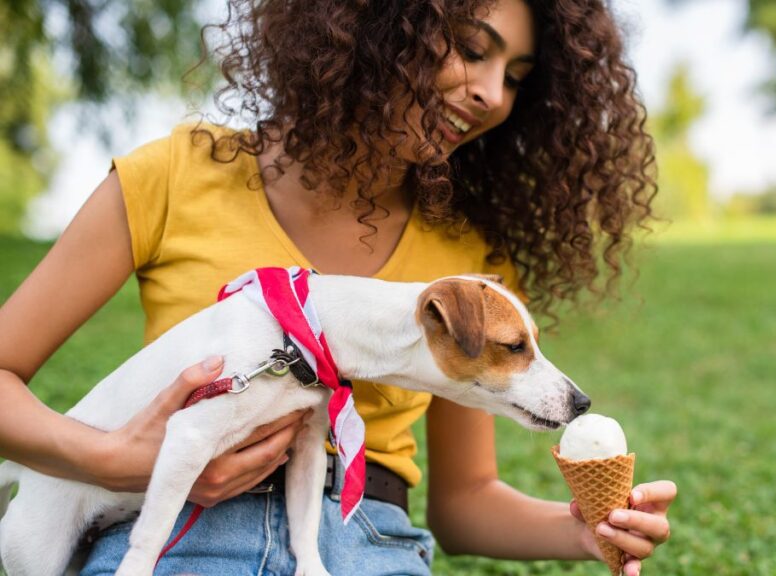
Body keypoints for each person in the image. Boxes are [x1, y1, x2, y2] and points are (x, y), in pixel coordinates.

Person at [0, 0, 676, 574]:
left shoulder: (470, 268)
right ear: (382, 22)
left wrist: (580, 531)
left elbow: (465, 502)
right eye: (473, 49)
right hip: (175, 532)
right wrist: (116, 460)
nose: (493, 94)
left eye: (517, 78)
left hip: (367, 546)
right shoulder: (175, 176)